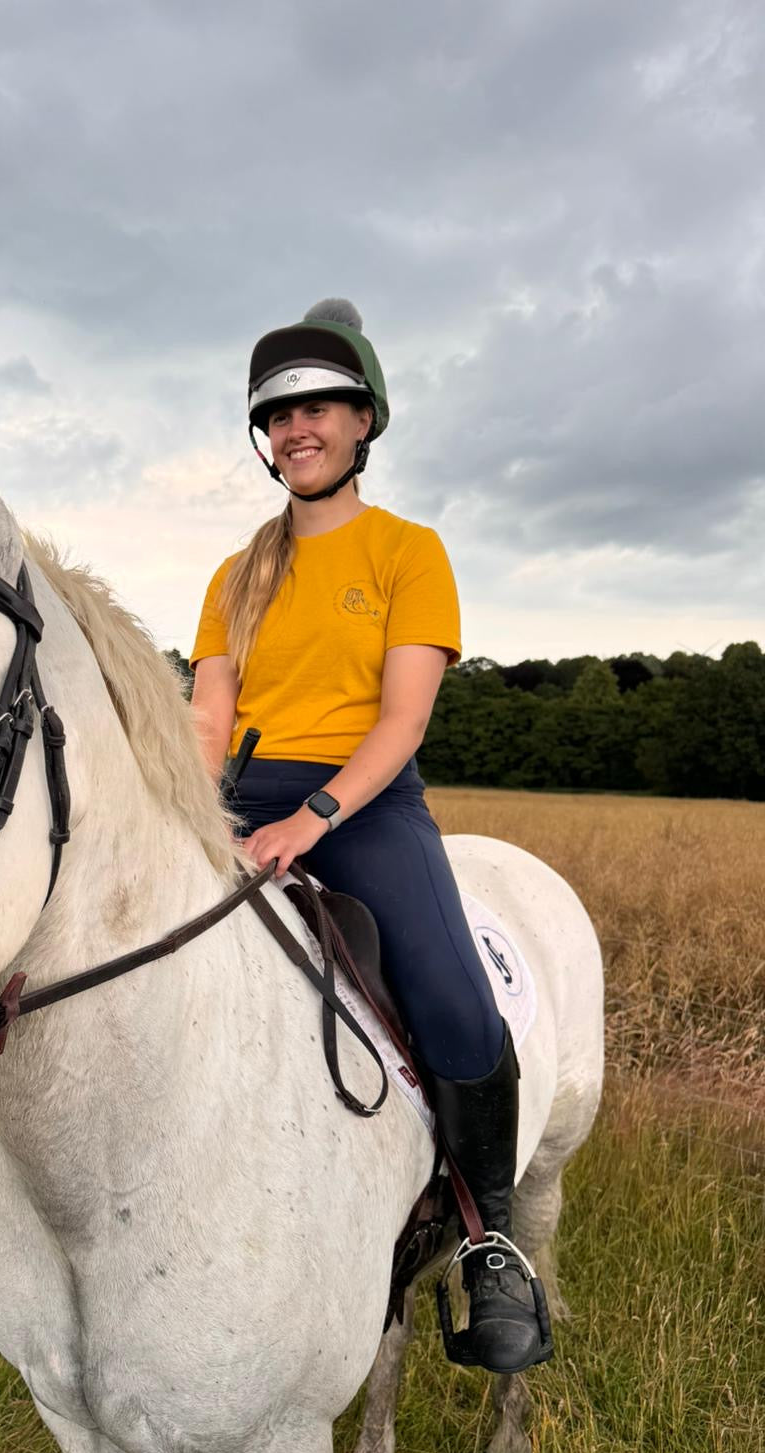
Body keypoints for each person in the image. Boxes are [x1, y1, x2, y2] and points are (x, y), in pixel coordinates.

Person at [188, 298, 551, 1374]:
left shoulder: (408, 552)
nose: (295, 427)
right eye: (277, 414)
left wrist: (317, 816)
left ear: (362, 421)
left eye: (317, 407)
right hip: (240, 802)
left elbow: (402, 718)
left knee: (450, 991)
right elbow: (208, 715)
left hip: (364, 803)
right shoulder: (233, 575)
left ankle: (487, 1245)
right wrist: (194, 812)